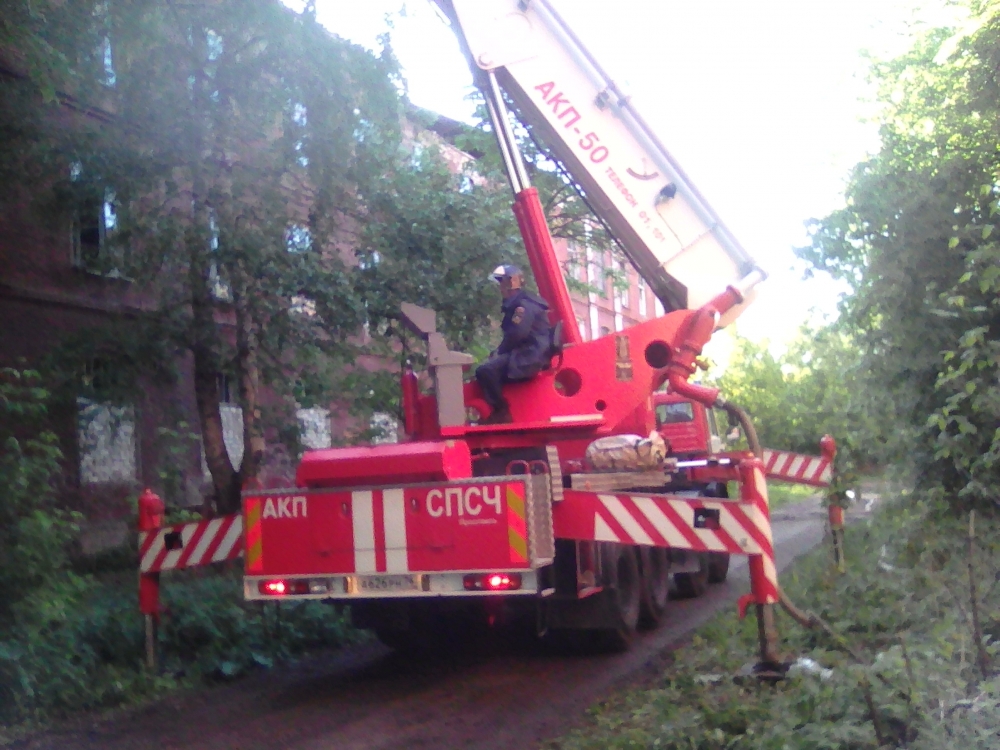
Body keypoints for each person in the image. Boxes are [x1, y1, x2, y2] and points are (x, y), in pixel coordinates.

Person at [475, 264, 552, 424]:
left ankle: (501, 412)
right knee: (490, 367)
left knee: (485, 371)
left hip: (530, 355)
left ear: (512, 283)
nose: (500, 288)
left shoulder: (523, 307)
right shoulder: (520, 304)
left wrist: (500, 352)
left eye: (502, 283)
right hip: (528, 352)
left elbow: (517, 333)